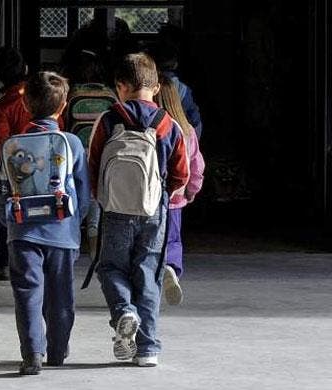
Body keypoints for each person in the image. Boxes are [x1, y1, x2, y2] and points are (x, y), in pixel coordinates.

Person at [87, 53, 189, 367]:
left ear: (120, 86)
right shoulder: (166, 124)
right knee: (148, 275)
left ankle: (124, 312)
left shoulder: (107, 120)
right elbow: (181, 173)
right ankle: (148, 350)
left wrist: (104, 197)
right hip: (153, 211)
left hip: (115, 209)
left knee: (110, 268)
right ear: (156, 87)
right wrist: (162, 193)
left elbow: (92, 167)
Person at [0, 71, 90, 375]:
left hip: (22, 232)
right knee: (61, 294)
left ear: (25, 105)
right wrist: (77, 223)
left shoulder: (12, 145)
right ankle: (58, 350)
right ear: (63, 108)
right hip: (62, 233)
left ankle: (32, 353)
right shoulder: (71, 143)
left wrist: (8, 224)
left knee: (27, 293)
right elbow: (84, 194)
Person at [154, 74, 204, 306]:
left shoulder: (151, 128)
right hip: (176, 199)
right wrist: (191, 191)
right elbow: (196, 166)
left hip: (150, 198)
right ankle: (172, 267)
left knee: (149, 241)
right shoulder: (187, 130)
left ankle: (150, 276)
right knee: (173, 240)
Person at [63, 49, 119, 257]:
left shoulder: (71, 94)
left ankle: (73, 243)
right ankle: (95, 247)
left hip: (74, 152)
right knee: (95, 197)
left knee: (74, 195)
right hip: (101, 152)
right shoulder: (110, 94)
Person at [0, 46, 31, 280]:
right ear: (25, 69)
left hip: (9, 167)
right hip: (39, 165)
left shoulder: (2, 105)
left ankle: (5, 259)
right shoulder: (37, 96)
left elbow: (0, 143)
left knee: (6, 216)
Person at [149, 32, 204, 138]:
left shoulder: (146, 86)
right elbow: (194, 119)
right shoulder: (183, 89)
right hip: (180, 136)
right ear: (176, 64)